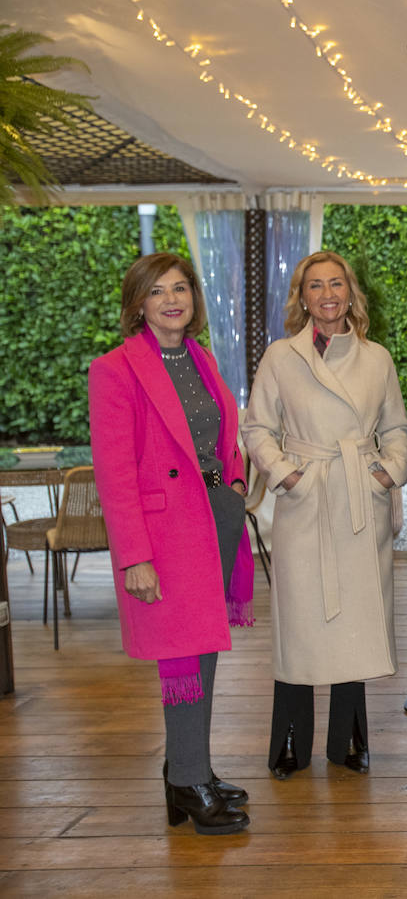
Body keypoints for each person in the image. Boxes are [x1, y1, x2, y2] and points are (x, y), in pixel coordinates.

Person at [90, 253, 254, 835]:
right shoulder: (115, 369)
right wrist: (133, 555)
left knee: (202, 648)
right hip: (165, 534)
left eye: (180, 287)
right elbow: (112, 473)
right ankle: (187, 779)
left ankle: (191, 767)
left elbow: (223, 436)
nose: (172, 299)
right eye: (157, 291)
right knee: (183, 656)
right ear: (138, 304)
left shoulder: (201, 358)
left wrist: (234, 484)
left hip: (216, 517)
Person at [242, 251, 407, 780]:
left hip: (359, 500)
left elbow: (398, 428)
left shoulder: (376, 357)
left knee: (354, 623)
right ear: (303, 297)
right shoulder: (279, 357)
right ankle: (290, 738)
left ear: (350, 293)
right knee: (299, 624)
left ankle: (349, 737)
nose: (327, 294)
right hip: (306, 501)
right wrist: (285, 474)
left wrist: (387, 472)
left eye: (335, 283)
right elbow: (256, 429)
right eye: (315, 286)